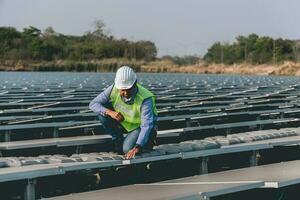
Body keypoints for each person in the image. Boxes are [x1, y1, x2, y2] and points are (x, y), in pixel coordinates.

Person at [89, 66, 158, 159]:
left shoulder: (146, 98)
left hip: (140, 128)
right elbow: (93, 104)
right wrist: (110, 112)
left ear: (135, 84)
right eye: (122, 90)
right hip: (124, 124)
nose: (125, 93)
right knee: (102, 113)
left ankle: (148, 142)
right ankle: (117, 139)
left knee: (127, 149)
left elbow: (146, 125)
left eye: (128, 89)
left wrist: (138, 146)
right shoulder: (113, 89)